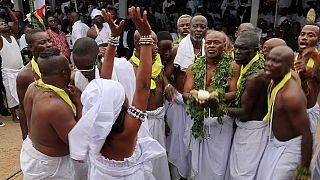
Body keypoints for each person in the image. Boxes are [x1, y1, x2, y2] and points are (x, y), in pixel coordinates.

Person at [68, 7, 166, 179]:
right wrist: (146, 37)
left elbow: (107, 79)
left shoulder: (93, 125)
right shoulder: (128, 130)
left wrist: (113, 38)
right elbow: (143, 86)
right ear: (120, 102)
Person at [20, 48, 82, 179]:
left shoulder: (33, 87)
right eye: (69, 65)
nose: (72, 67)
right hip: (51, 166)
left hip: (33, 151)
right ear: (64, 73)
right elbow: (78, 144)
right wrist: (79, 104)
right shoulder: (54, 105)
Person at [183, 31, 236, 180]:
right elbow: (185, 94)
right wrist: (197, 97)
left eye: (216, 42)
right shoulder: (193, 67)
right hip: (198, 120)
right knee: (197, 166)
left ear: (224, 46)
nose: (211, 46)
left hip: (221, 122)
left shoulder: (233, 67)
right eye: (208, 42)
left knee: (218, 167)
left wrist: (216, 98)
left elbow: (234, 93)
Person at [257, 46, 312, 180]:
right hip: (274, 143)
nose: (269, 64)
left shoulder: (291, 96)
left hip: (291, 149)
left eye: (276, 61)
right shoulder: (274, 79)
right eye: (268, 59)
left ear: (289, 66)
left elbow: (306, 134)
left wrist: (304, 169)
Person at [164, 15, 208, 179]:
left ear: (206, 29)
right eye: (195, 26)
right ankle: (178, 175)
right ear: (189, 28)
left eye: (202, 27)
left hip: (200, 104)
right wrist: (168, 86)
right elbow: (164, 74)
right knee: (178, 143)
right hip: (180, 104)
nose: (198, 30)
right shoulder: (177, 50)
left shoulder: (210, 50)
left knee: (196, 143)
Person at [129, 29, 171, 180]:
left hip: (158, 120)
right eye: (151, 44)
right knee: (147, 163)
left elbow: (160, 77)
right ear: (137, 45)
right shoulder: (131, 68)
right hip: (142, 124)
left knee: (159, 159)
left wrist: (167, 85)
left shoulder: (157, 61)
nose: (156, 48)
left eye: (156, 43)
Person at [226, 31, 268, 179]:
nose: (237, 52)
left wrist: (215, 107)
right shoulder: (245, 65)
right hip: (247, 129)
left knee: (243, 174)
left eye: (243, 49)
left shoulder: (255, 76)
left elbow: (244, 111)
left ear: (255, 51)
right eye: (236, 47)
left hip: (252, 131)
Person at [16, 30, 52, 140]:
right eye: (43, 43)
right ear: (31, 47)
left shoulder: (59, 64)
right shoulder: (25, 75)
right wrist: (25, 136)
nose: (48, 45)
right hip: (40, 129)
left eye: (49, 41)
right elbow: (22, 109)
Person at [293, 24, 320, 149]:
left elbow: (312, 73)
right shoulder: (294, 57)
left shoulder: (318, 59)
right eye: (302, 34)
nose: (304, 38)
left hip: (308, 114)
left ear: (318, 40)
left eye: (311, 35)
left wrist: (305, 72)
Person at [0, 21, 24, 122]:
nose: (4, 25)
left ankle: (23, 112)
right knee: (10, 94)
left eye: (5, 23)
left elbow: (16, 22)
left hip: (19, 69)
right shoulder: (1, 39)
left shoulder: (13, 36)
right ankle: (14, 116)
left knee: (22, 92)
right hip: (8, 71)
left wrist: (7, 8)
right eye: (1, 24)